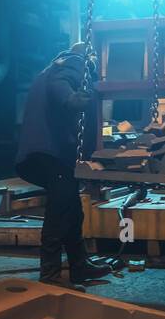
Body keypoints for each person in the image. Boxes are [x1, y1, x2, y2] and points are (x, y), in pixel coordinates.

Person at [15, 42, 113, 286]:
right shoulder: (72, 63)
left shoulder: (51, 66)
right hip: (52, 152)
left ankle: (80, 267)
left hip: (51, 152)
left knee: (71, 210)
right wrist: (70, 99)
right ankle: (50, 275)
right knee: (59, 213)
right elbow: (60, 83)